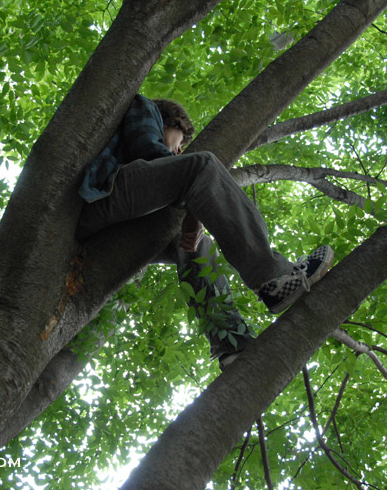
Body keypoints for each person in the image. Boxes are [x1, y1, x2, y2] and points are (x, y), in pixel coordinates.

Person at [76, 95, 334, 367]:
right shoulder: (145, 107)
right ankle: (273, 278)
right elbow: (148, 151)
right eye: (179, 141)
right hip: (104, 195)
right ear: (169, 122)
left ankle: (232, 343)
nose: (178, 151)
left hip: (115, 232)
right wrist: (191, 201)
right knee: (203, 165)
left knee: (197, 248)